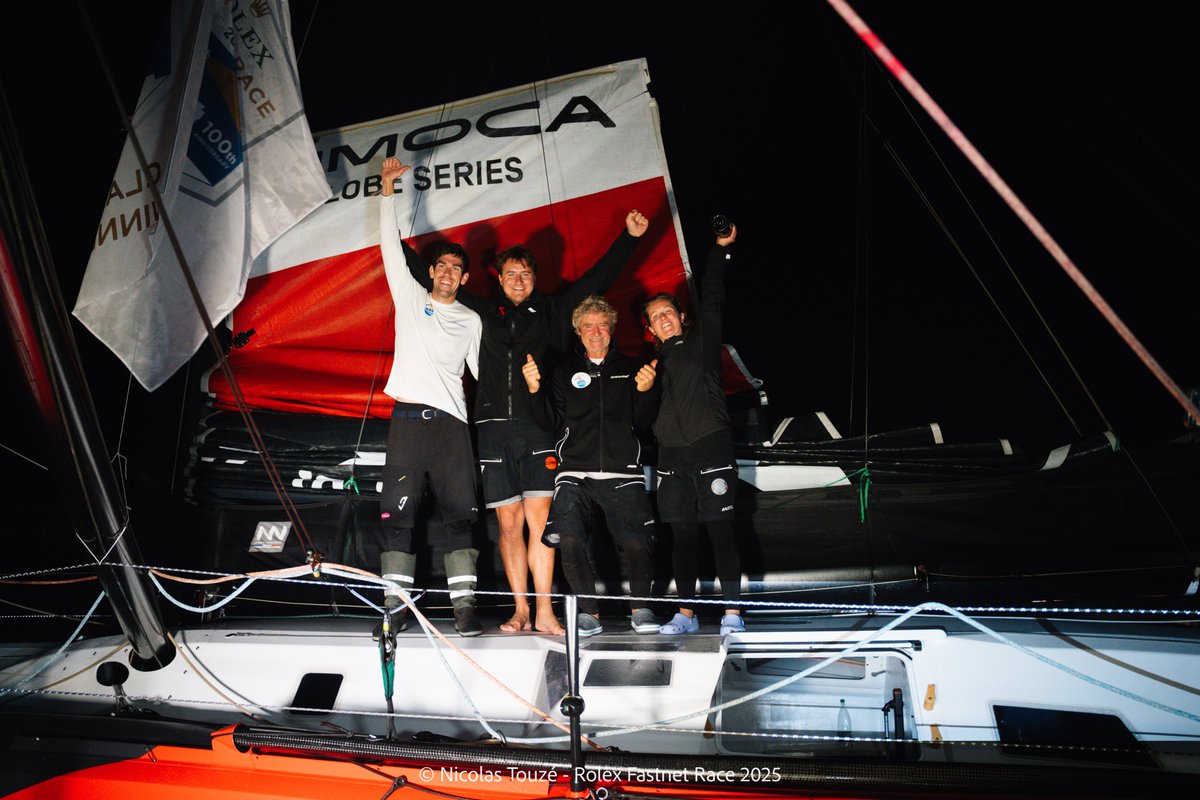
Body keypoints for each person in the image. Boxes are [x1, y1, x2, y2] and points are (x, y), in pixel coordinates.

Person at [407, 210, 650, 634]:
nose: (518, 279)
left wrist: (629, 236)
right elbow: (432, 280)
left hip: (539, 428)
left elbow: (599, 278)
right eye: (511, 273)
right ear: (498, 278)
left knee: (541, 521)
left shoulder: (555, 311)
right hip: (492, 430)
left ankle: (545, 611)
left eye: (525, 273)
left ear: (535, 279)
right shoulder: (483, 310)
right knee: (508, 523)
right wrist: (391, 226)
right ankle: (520, 609)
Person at [376, 157, 484, 637]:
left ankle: (464, 611)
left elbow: (482, 374)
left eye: (455, 269)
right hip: (407, 424)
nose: (446, 273)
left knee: (460, 519)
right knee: (399, 519)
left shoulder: (472, 320)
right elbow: (388, 246)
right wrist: (386, 189)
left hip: (452, 427)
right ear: (432, 271)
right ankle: (393, 612)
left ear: (464, 279)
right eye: (440, 265)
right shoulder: (408, 295)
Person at [522, 295, 659, 636]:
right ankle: (589, 613)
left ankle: (641, 608)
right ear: (578, 332)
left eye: (602, 325)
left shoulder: (632, 368)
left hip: (623, 470)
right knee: (569, 539)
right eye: (588, 326)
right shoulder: (564, 372)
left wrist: (646, 392)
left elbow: (644, 425)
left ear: (611, 330)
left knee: (638, 543)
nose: (595, 332)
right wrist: (533, 389)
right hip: (575, 472)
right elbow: (549, 422)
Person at [642, 222, 744, 635]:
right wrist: (644, 391)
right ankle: (685, 614)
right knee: (682, 537)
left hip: (710, 446)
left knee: (720, 532)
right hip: (671, 459)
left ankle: (733, 614)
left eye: (669, 312)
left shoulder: (702, 344)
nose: (664, 319)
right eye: (656, 317)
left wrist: (720, 250)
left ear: (681, 316)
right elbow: (642, 419)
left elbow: (714, 298)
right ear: (649, 329)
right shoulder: (649, 366)